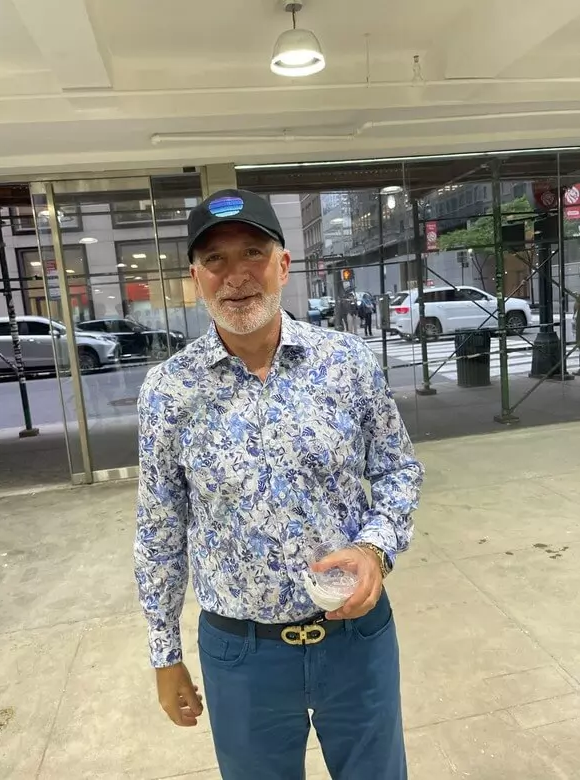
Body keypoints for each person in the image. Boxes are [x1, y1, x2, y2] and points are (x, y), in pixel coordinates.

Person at [134, 189, 424, 780]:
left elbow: (398, 470)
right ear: (196, 278)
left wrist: (374, 550)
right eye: (215, 260)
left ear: (283, 265)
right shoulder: (168, 392)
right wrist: (165, 654)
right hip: (242, 655)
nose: (236, 275)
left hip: (355, 638)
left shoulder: (346, 362)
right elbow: (159, 532)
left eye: (253, 253)